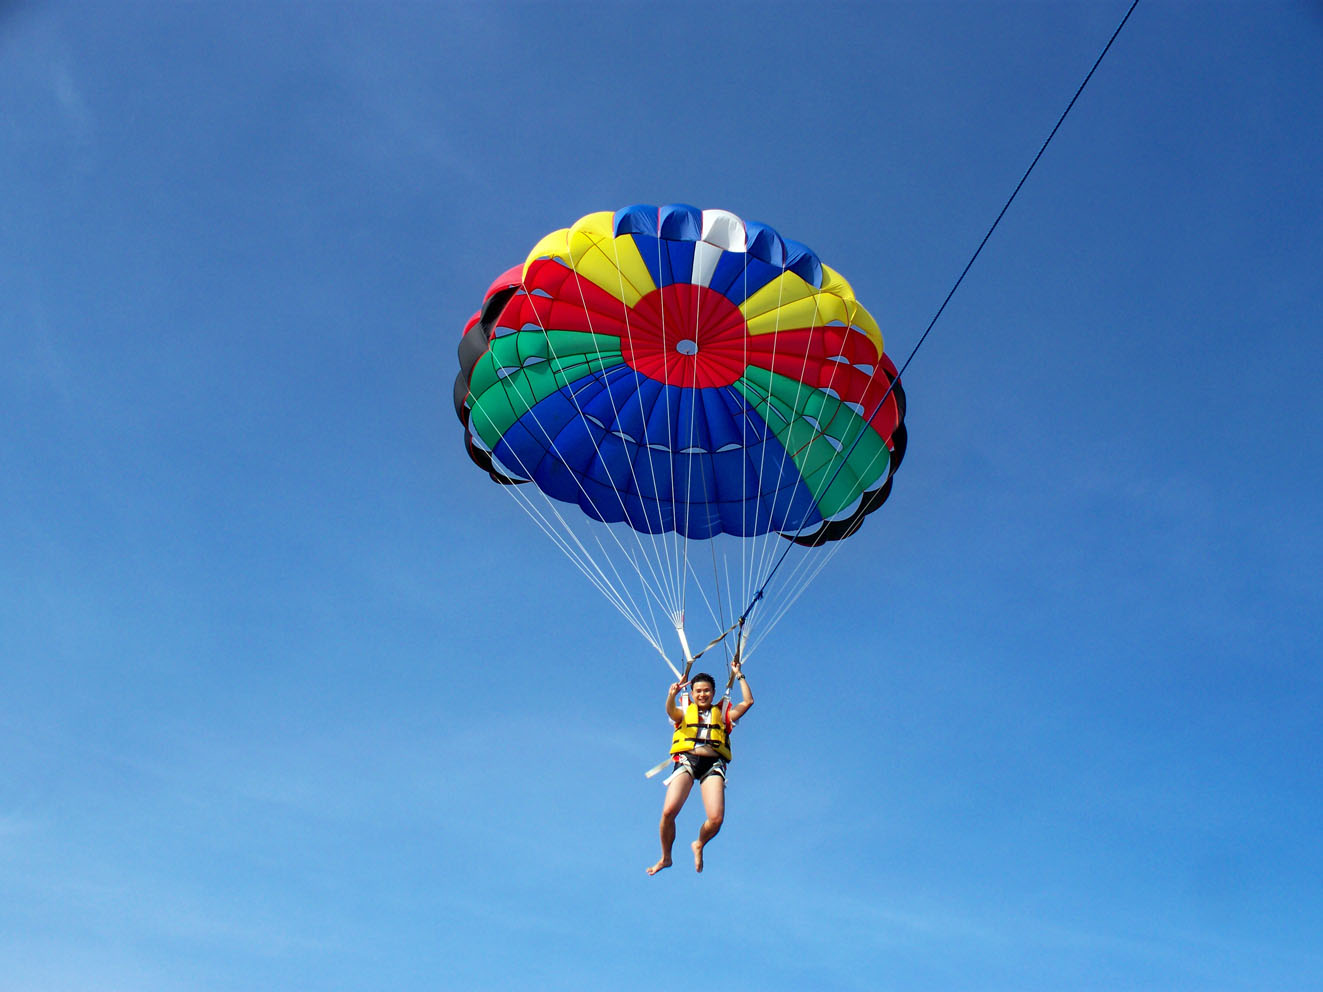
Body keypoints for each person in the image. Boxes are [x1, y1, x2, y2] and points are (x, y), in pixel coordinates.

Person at [646, 656, 753, 875]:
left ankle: (699, 843)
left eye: (706, 691)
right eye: (698, 691)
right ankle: (666, 857)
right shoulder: (684, 710)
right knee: (668, 811)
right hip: (687, 760)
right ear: (692, 694)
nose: (702, 694)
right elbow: (670, 711)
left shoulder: (722, 714)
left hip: (713, 764)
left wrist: (739, 675)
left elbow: (748, 702)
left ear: (713, 693)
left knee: (716, 819)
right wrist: (671, 694)